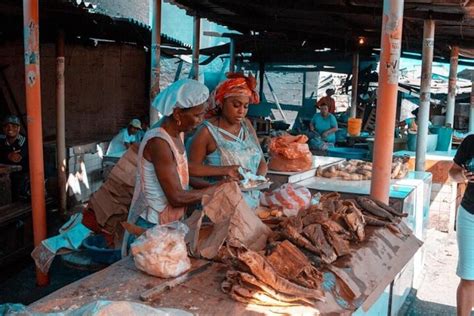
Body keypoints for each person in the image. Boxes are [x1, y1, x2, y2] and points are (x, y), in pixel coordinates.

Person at [124, 79, 226, 239]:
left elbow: (182, 175)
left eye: (202, 114)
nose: (201, 120)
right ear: (178, 113)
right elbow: (177, 197)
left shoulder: (178, 133)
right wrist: (214, 191)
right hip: (151, 225)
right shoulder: (159, 142)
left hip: (169, 221)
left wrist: (217, 186)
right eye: (197, 115)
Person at [188, 72, 267, 209]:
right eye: (236, 105)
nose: (241, 111)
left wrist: (255, 181)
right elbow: (189, 174)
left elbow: (262, 163)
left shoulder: (247, 126)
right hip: (219, 208)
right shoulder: (207, 132)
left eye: (246, 106)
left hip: (251, 206)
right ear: (221, 102)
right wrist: (218, 186)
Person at [449, 135, 474, 316]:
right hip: (470, 216)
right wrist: (462, 175)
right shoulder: (471, 142)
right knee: (469, 277)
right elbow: (453, 172)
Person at [0, 115, 29, 199]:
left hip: (21, 175)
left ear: (19, 128)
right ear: (3, 129)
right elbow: (10, 157)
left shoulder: (24, 141)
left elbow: (16, 159)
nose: (10, 129)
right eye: (7, 126)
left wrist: (5, 154)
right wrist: (8, 155)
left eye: (14, 126)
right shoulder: (2, 139)